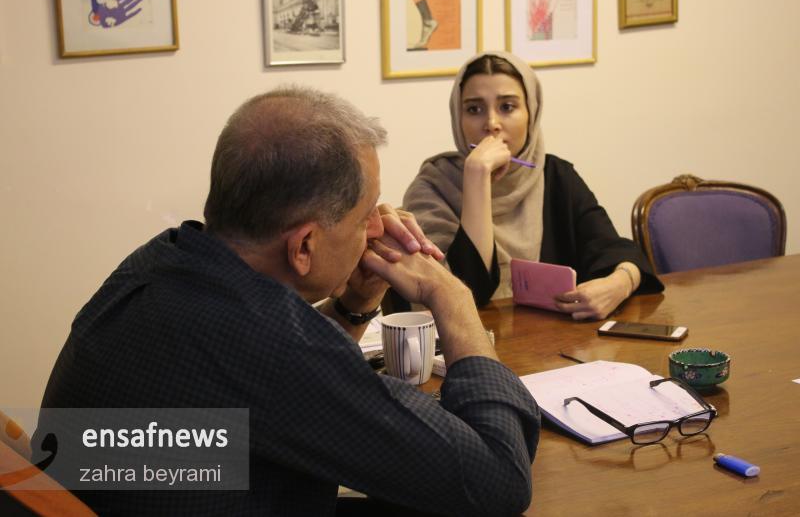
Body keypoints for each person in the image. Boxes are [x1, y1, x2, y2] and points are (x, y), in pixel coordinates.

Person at [35, 86, 540, 516]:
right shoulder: (264, 345)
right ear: (303, 247)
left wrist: (355, 301)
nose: (378, 228)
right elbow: (499, 481)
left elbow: (280, 387)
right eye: (365, 214)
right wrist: (451, 296)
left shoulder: (162, 261)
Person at [402, 51, 664, 319]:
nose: (491, 124)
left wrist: (620, 283)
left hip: (553, 340)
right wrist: (477, 177)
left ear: (532, 113)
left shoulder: (556, 175)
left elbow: (615, 249)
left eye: (507, 107)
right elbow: (459, 293)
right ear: (458, 118)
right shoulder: (433, 186)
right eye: (474, 109)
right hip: (466, 340)